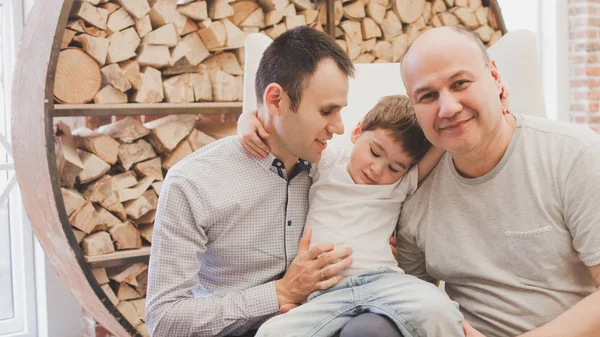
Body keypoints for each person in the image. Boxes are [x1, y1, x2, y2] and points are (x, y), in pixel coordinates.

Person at [145, 26, 402, 337]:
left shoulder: (333, 169)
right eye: (326, 111)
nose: (337, 126)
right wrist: (279, 293)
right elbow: (164, 320)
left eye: (340, 110)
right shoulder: (193, 182)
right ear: (276, 100)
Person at [395, 26, 600, 337]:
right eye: (428, 95)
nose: (448, 108)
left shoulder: (574, 155)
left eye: (460, 83)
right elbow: (413, 305)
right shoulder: (415, 194)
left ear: (494, 76)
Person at [238, 95, 464, 337]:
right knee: (269, 333)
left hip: (382, 281)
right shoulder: (327, 160)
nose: (377, 170)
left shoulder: (401, 182)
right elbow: (287, 135)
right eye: (375, 152)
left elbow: (442, 143)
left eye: (394, 167)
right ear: (357, 131)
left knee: (441, 309)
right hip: (324, 291)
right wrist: (247, 118)